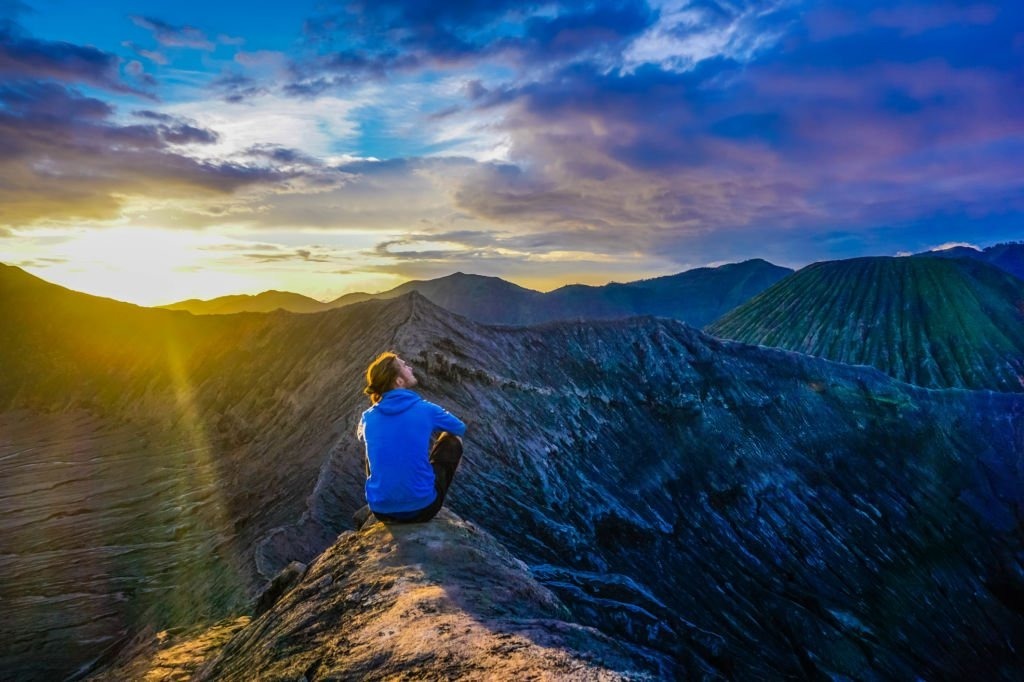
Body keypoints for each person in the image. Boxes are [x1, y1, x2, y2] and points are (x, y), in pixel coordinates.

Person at [354, 351, 466, 527]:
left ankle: (388, 494)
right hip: (422, 509)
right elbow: (459, 427)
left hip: (381, 511)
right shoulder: (424, 409)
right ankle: (419, 489)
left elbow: (363, 436)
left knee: (375, 448)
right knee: (452, 439)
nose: (410, 367)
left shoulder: (368, 416)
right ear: (399, 381)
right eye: (404, 366)